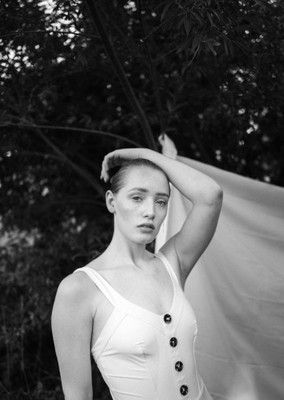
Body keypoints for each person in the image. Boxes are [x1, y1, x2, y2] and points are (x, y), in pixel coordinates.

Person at [51, 135, 223, 400]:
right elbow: (78, 395)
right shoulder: (79, 290)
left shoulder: (173, 263)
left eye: (161, 201)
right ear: (112, 202)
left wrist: (144, 154)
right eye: (137, 197)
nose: (150, 212)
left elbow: (210, 195)